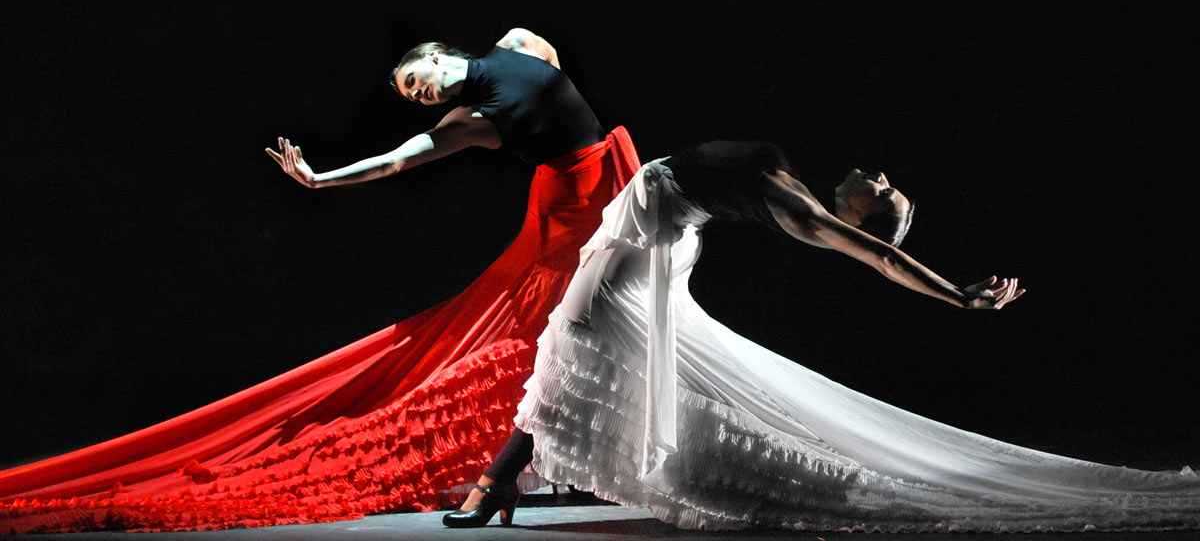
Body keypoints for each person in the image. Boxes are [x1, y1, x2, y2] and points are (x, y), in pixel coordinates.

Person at [0, 29, 640, 534]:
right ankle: (514, 468)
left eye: (420, 81)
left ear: (442, 56)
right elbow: (395, 162)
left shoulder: (519, 41)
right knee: (560, 332)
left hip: (598, 172)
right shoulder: (471, 121)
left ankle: (526, 469)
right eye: (415, 97)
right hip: (569, 207)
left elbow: (553, 73)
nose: (424, 95)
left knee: (594, 326)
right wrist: (320, 180)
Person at [446, 141, 1200, 532]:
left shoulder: (800, 208)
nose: (877, 174)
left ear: (859, 215)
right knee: (576, 346)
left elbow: (879, 255)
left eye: (884, 190)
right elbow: (876, 235)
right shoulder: (799, 178)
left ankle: (496, 481)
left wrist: (956, 296)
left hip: (643, 245)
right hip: (653, 237)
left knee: (574, 342)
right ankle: (504, 477)